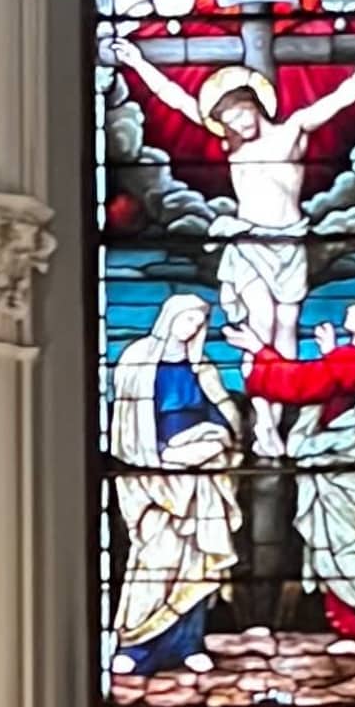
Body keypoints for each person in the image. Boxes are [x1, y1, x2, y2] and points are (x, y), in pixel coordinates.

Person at [111, 20, 355, 360]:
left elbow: (344, 96)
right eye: (228, 122)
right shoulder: (232, 145)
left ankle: (280, 408)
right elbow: (175, 98)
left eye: (240, 113)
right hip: (249, 240)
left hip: (291, 238)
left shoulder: (292, 130)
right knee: (260, 322)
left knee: (287, 323)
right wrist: (137, 62)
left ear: (254, 102)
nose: (237, 124)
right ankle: (260, 407)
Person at [241, 287, 355, 672]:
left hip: (350, 473)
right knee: (344, 554)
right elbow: (343, 391)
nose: (350, 308)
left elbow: (301, 384)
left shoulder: (353, 360)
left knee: (353, 554)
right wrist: (329, 354)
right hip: (354, 475)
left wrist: (260, 352)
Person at [106, 287, 245, 677]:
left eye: (200, 322)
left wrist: (213, 439)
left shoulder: (203, 368)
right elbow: (128, 426)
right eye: (188, 318)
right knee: (155, 560)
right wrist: (157, 459)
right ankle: (138, 643)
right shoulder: (137, 360)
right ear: (169, 317)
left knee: (198, 562)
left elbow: (224, 416)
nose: (194, 327)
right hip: (155, 478)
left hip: (201, 477)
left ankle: (188, 644)